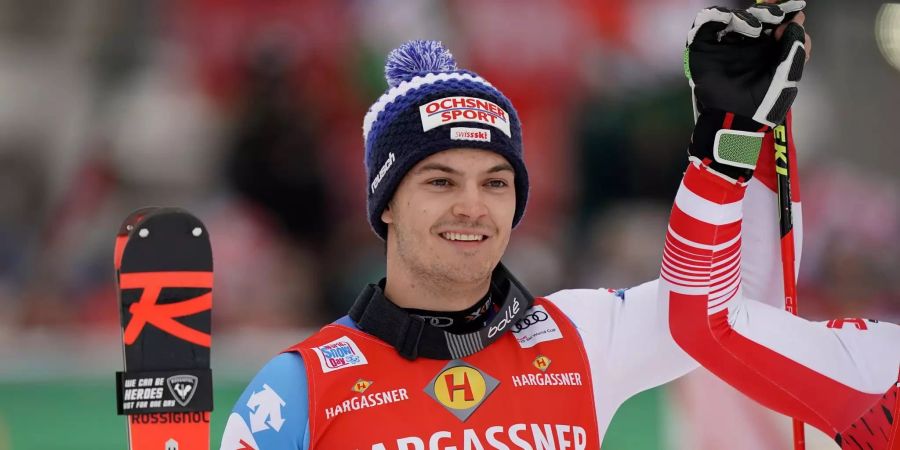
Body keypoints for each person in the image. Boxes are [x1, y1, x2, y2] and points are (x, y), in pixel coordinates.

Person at [221, 3, 900, 449]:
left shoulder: (580, 336)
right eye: (439, 182)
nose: (471, 206)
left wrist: (733, 143)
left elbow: (735, 307)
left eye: (496, 183)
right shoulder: (302, 387)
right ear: (386, 204)